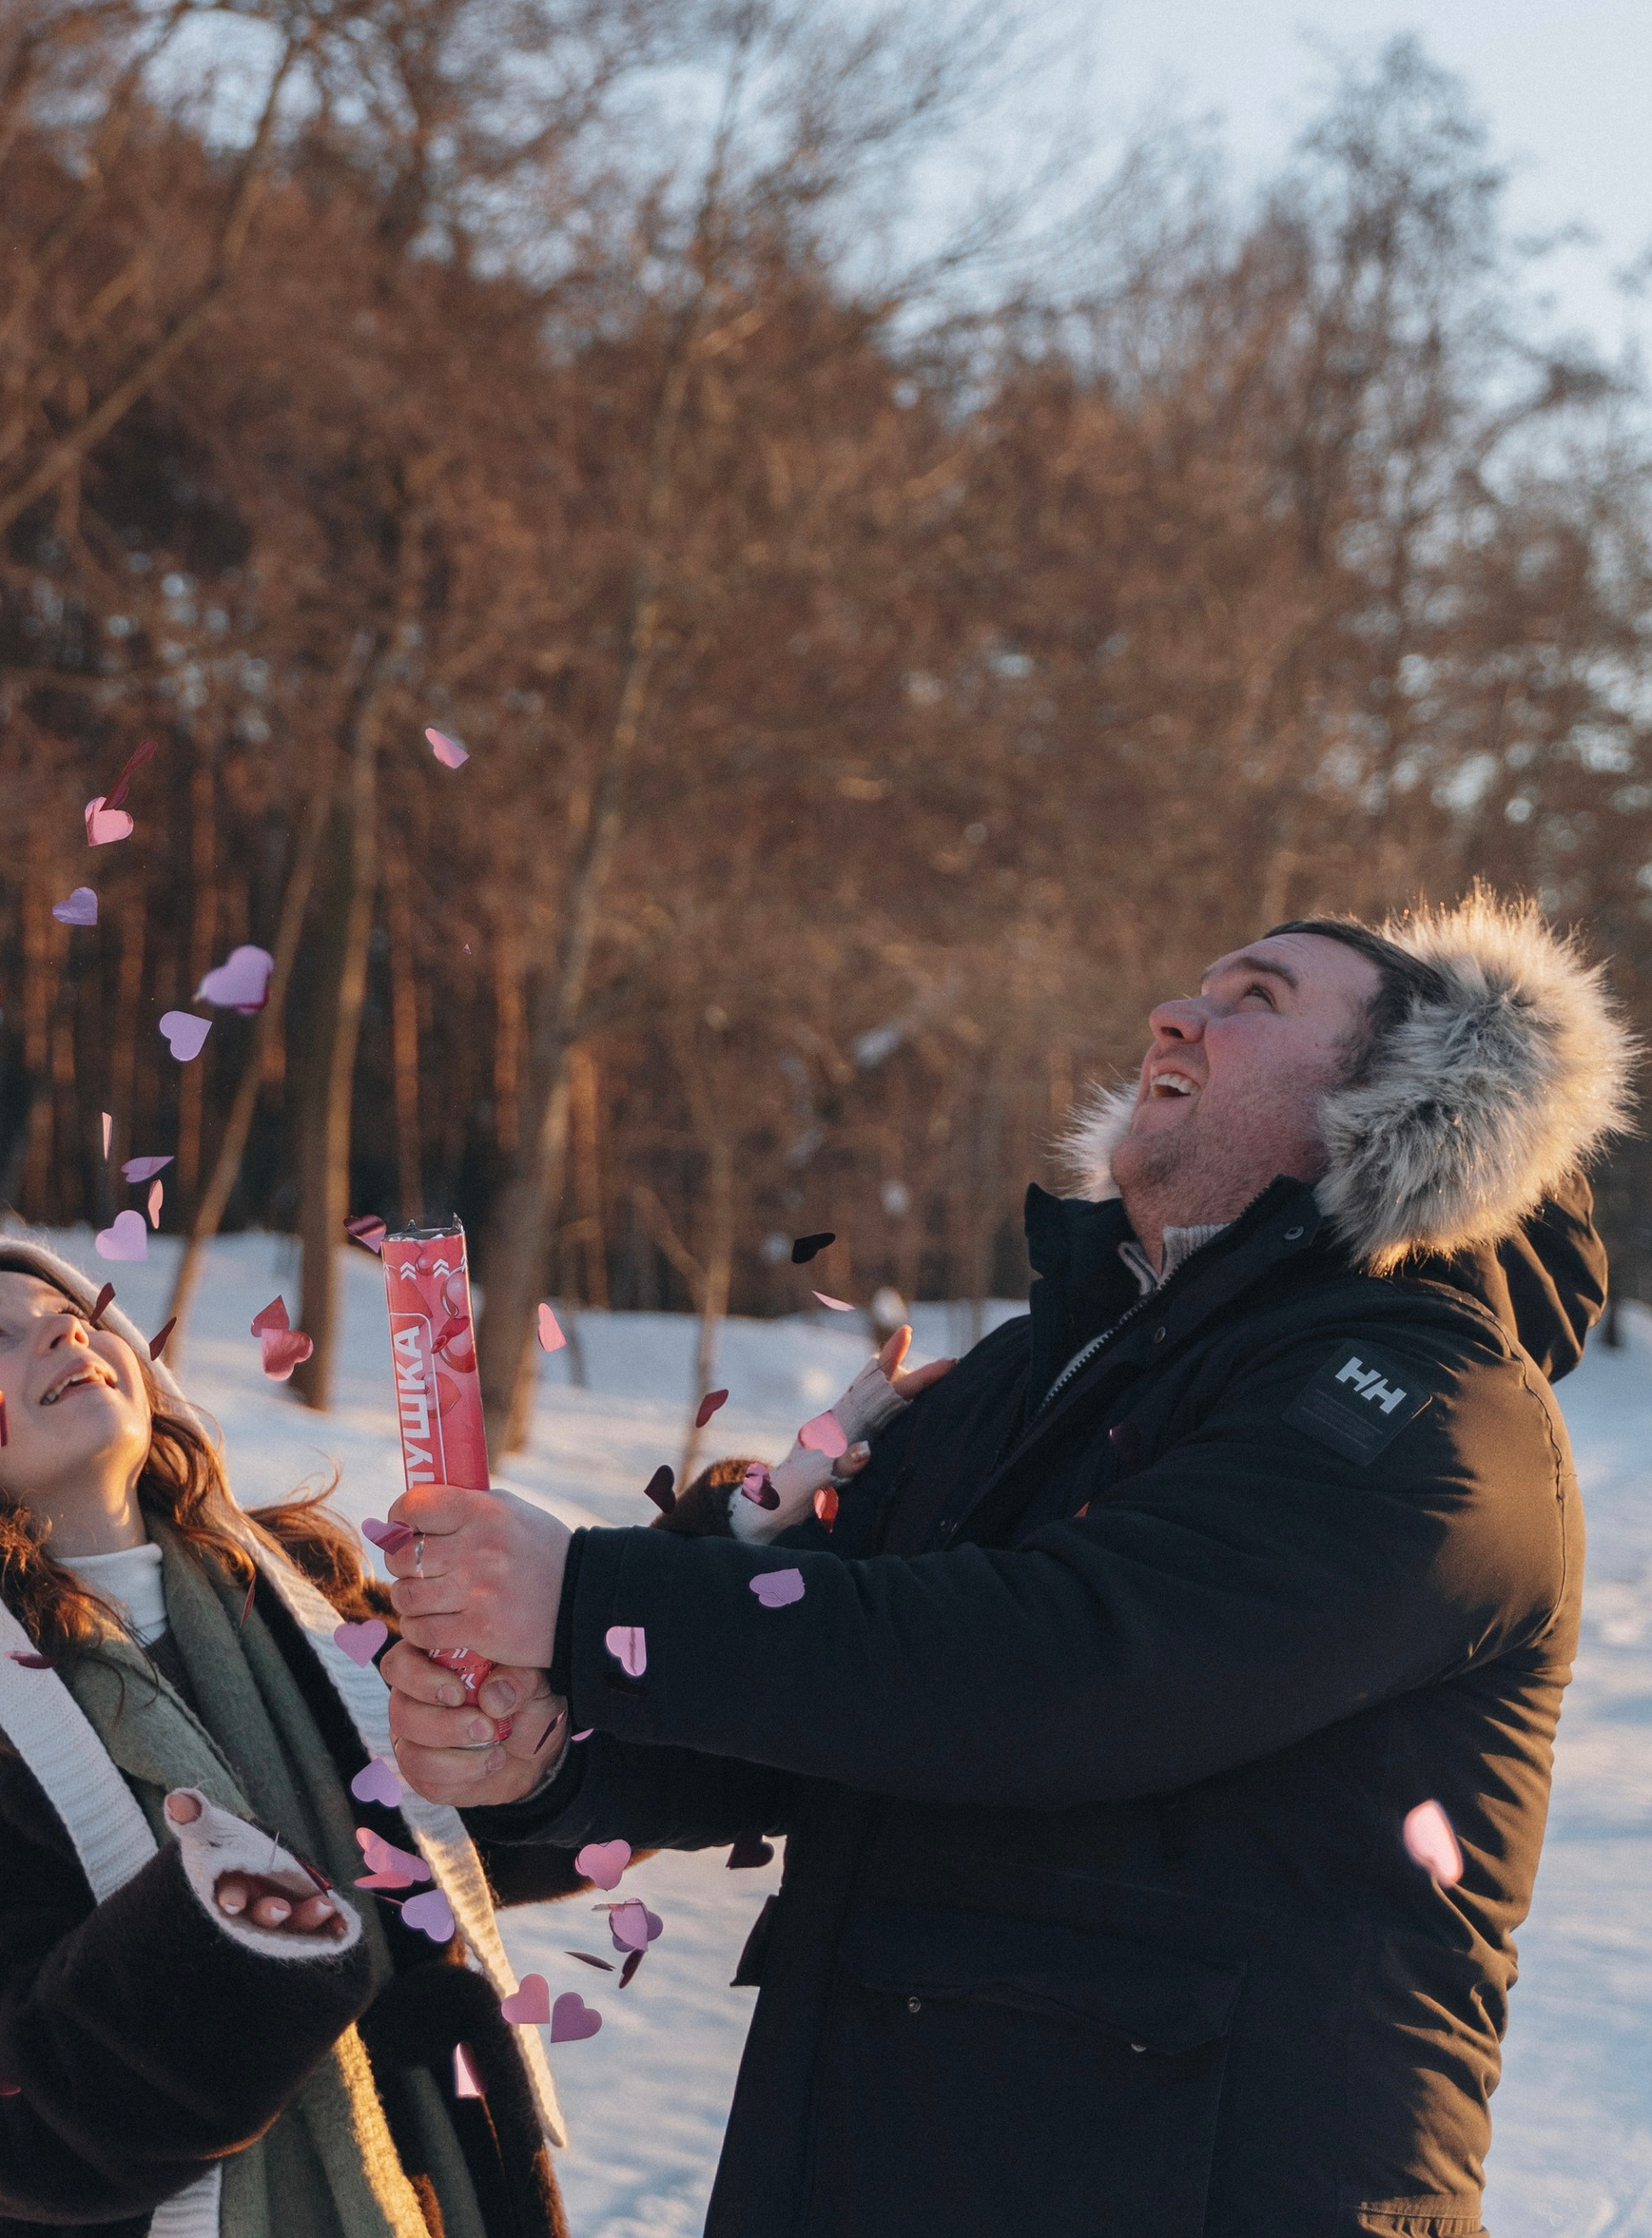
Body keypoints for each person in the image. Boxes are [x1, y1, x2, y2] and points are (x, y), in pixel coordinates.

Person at [382, 890, 1633, 2238]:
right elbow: (818, 1687)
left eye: (1257, 999)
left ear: (1403, 1096)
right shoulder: (1028, 1376)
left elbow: (1062, 1667)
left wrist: (592, 1602)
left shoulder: (1428, 1406)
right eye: (1196, 987)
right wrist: (554, 1752)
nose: (1177, 1013)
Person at [0, 1235, 573, 2238]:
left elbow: (481, 1828)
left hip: (427, 2188)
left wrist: (559, 1707)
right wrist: (216, 1953)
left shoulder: (308, 1603)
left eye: (73, 1313)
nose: (56, 1328)